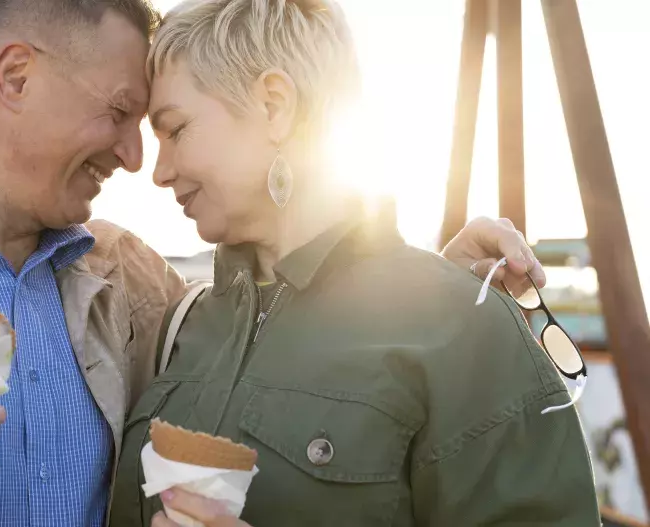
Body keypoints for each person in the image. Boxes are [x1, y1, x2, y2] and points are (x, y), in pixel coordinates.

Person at [0, 1, 545, 526]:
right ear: (15, 74)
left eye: (159, 125)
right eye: (120, 114)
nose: (135, 155)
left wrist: (423, 286)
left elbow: (298, 351)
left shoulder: (137, 287)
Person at [108, 0, 600, 526]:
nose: (158, 171)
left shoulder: (464, 327)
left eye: (175, 129)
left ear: (274, 106)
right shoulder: (182, 327)